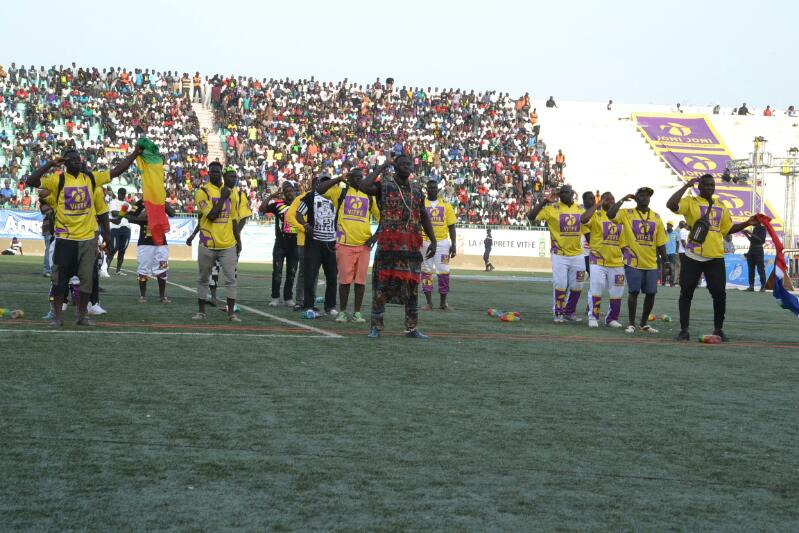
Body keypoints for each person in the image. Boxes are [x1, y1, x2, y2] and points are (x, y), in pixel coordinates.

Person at [26, 146, 142, 326]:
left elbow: (117, 171)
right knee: (59, 279)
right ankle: (57, 316)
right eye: (72, 159)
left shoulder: (91, 178)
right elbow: (31, 181)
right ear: (65, 163)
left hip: (87, 239)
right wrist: (50, 163)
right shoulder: (58, 180)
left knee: (87, 280)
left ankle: (82, 315)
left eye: (79, 159)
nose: (77, 162)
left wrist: (135, 153)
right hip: (65, 238)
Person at [667, 174, 758, 341]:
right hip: (693, 255)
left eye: (712, 185)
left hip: (715, 257)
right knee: (686, 293)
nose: (710, 187)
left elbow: (727, 229)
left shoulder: (721, 205)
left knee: (719, 294)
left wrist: (747, 223)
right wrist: (687, 185)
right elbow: (671, 204)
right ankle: (684, 330)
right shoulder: (690, 202)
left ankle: (718, 329)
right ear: (699, 186)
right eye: (706, 185)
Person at [357, 153, 437, 339]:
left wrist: (432, 240)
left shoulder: (416, 189)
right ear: (395, 167)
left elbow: (423, 214)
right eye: (403, 164)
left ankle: (411, 328)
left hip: (410, 247)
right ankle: (376, 327)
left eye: (409, 163)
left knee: (412, 287)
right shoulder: (384, 185)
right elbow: (363, 186)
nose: (407, 166)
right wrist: (383, 165)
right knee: (381, 287)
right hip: (388, 247)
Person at [316, 167, 380, 323]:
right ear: (349, 179)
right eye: (355, 177)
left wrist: (375, 237)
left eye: (361, 177)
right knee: (344, 281)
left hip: (364, 245)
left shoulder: (370, 197)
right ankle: (343, 312)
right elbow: (319, 189)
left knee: (360, 281)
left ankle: (357, 313)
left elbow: (382, 218)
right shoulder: (340, 192)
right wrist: (339, 178)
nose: (359, 179)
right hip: (344, 244)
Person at [607, 187, 670, 334]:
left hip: (651, 262)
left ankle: (643, 324)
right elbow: (610, 214)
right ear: (636, 198)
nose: (645, 198)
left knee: (651, 293)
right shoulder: (626, 213)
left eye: (647, 196)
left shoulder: (656, 216)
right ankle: (631, 323)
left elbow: (660, 242)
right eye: (641, 195)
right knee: (634, 292)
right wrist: (622, 200)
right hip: (633, 261)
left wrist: (666, 261)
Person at [527, 184, 587, 323]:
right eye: (562, 193)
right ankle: (559, 313)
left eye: (567, 192)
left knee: (578, 285)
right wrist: (544, 201)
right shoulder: (551, 209)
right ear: (559, 195)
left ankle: (570, 312)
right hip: (559, 254)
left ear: (572, 193)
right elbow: (531, 216)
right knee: (560, 284)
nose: (565, 195)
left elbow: (588, 228)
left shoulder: (580, 209)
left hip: (578, 254)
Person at [192, 161, 242, 322]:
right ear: (208, 173)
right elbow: (211, 216)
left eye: (218, 172)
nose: (215, 174)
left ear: (221, 173)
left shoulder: (231, 192)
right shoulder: (202, 192)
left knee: (231, 280)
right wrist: (222, 198)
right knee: (203, 278)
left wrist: (238, 240)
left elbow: (234, 219)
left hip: (228, 244)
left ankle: (231, 314)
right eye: (212, 172)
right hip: (208, 244)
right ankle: (201, 312)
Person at [296, 173, 339, 317]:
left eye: (329, 182)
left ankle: (330, 306)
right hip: (314, 242)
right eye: (324, 182)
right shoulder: (310, 197)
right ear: (318, 184)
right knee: (310, 275)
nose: (328, 185)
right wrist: (305, 224)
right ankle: (309, 305)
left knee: (332, 276)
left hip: (331, 243)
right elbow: (298, 213)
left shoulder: (337, 197)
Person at [580, 192, 625, 328]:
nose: (610, 201)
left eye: (612, 199)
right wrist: (596, 205)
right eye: (607, 199)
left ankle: (611, 318)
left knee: (617, 291)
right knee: (596, 288)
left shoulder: (620, 217)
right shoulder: (597, 215)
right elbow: (583, 219)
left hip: (617, 261)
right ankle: (593, 316)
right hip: (598, 261)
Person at [122, 199, 176, 303]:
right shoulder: (141, 203)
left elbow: (172, 213)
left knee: (163, 268)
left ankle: (162, 296)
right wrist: (148, 219)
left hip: (161, 243)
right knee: (143, 269)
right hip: (145, 243)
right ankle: (142, 296)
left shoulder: (160, 201)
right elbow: (129, 217)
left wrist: (162, 203)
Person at [260, 181, 299, 307]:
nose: (289, 193)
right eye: (286, 191)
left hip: (295, 245)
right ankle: (275, 297)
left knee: (292, 272)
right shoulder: (278, 204)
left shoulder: (300, 205)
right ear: (283, 193)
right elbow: (262, 209)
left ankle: (288, 298)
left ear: (294, 192)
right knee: (277, 271)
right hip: (280, 244)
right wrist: (271, 196)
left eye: (291, 191)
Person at [420, 178, 457, 311]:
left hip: (443, 243)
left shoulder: (446, 205)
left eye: (435, 188)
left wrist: (454, 244)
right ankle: (429, 303)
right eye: (430, 188)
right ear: (426, 189)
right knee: (426, 272)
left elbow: (452, 226)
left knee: (444, 272)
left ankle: (443, 303)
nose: (433, 190)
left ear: (438, 190)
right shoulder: (422, 204)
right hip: (425, 242)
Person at [106, 187, 132, 275]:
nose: (123, 195)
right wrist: (124, 212)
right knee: (113, 248)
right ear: (118, 193)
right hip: (115, 227)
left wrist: (120, 213)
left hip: (126, 227)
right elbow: (113, 213)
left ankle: (118, 270)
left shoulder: (128, 204)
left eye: (124, 194)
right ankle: (105, 269)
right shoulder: (113, 202)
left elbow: (129, 216)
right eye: (121, 194)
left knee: (123, 249)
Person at [742, 221, 767, 291]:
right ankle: (751, 286)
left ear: (758, 221)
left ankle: (763, 286)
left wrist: (750, 233)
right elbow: (752, 240)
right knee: (751, 269)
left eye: (753, 220)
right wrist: (746, 234)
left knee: (760, 269)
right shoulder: (755, 229)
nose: (752, 222)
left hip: (758, 250)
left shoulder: (763, 228)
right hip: (751, 249)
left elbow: (761, 240)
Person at [663, 221, 679, 287]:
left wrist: (676, 251)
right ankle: (663, 281)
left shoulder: (676, 233)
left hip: (672, 253)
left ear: (672, 226)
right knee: (664, 268)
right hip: (665, 253)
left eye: (669, 225)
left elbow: (678, 243)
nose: (668, 226)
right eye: (667, 225)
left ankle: (671, 283)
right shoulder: (664, 233)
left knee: (672, 268)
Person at [41, 201, 55, 276]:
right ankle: (47, 270)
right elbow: (50, 214)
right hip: (49, 229)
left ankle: (51, 269)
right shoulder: (44, 203)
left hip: (55, 229)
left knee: (53, 250)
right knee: (49, 249)